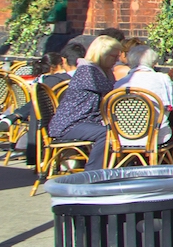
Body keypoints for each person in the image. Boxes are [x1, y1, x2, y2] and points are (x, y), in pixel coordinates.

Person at [48, 35, 123, 171]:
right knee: (106, 133)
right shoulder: (88, 71)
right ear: (102, 54)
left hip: (86, 121)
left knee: (120, 129)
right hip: (70, 124)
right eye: (114, 56)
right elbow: (113, 92)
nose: (117, 60)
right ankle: (92, 174)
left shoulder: (102, 71)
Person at [114, 44, 173, 148]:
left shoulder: (120, 84)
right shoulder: (162, 79)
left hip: (122, 137)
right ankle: (163, 163)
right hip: (155, 137)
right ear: (153, 63)